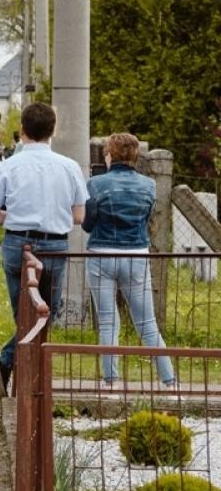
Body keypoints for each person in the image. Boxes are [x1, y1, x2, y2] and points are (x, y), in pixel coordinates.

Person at [0, 101, 88, 400]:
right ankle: (28, 379)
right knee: (45, 315)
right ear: (52, 131)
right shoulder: (69, 167)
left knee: (24, 316)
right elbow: (79, 216)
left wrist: (12, 216)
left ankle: (8, 364)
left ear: (22, 131)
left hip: (18, 243)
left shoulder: (9, 166)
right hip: (54, 244)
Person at [84, 132, 176, 390]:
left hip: (101, 254)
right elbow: (148, 218)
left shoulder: (95, 184)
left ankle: (111, 381)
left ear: (109, 154)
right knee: (147, 323)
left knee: (107, 321)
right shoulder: (148, 185)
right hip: (136, 254)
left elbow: (88, 223)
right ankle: (169, 381)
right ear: (136, 156)